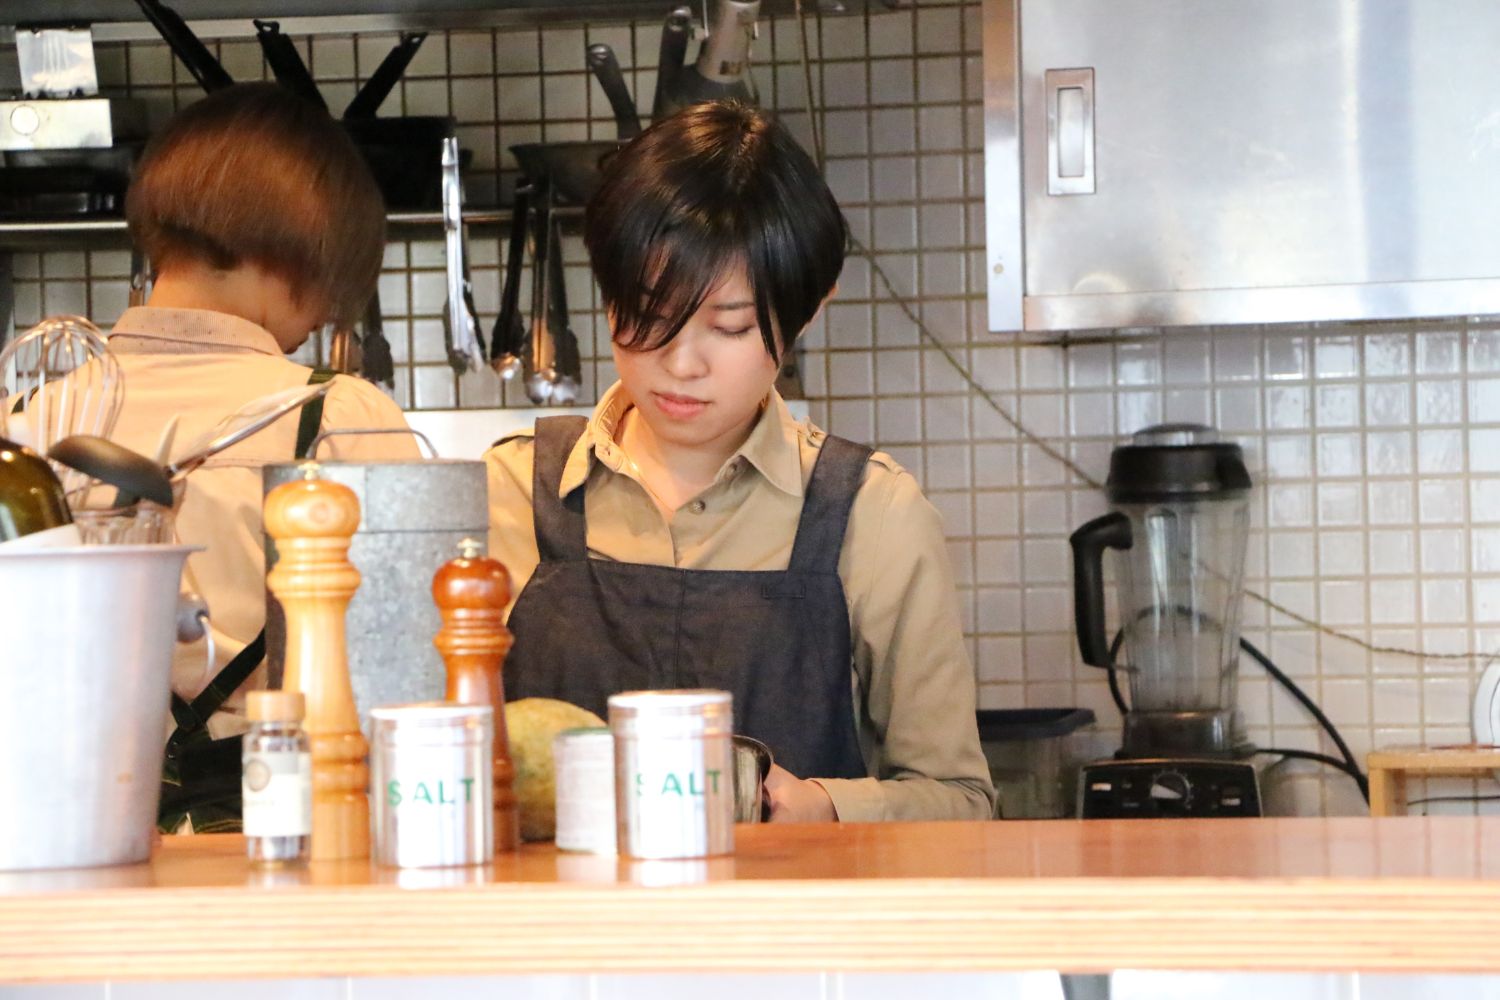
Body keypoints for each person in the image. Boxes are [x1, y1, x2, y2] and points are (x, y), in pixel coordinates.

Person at [485, 101, 994, 822]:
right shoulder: (506, 493)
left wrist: (823, 807)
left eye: (730, 326)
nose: (681, 363)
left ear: (809, 310)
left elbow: (962, 802)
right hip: (553, 933)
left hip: (788, 930)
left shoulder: (871, 515)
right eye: (648, 316)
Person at [104, 83, 420, 828]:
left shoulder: (23, 419)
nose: (324, 318)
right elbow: (410, 673)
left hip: (64, 837)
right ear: (301, 257)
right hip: (289, 837)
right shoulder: (339, 414)